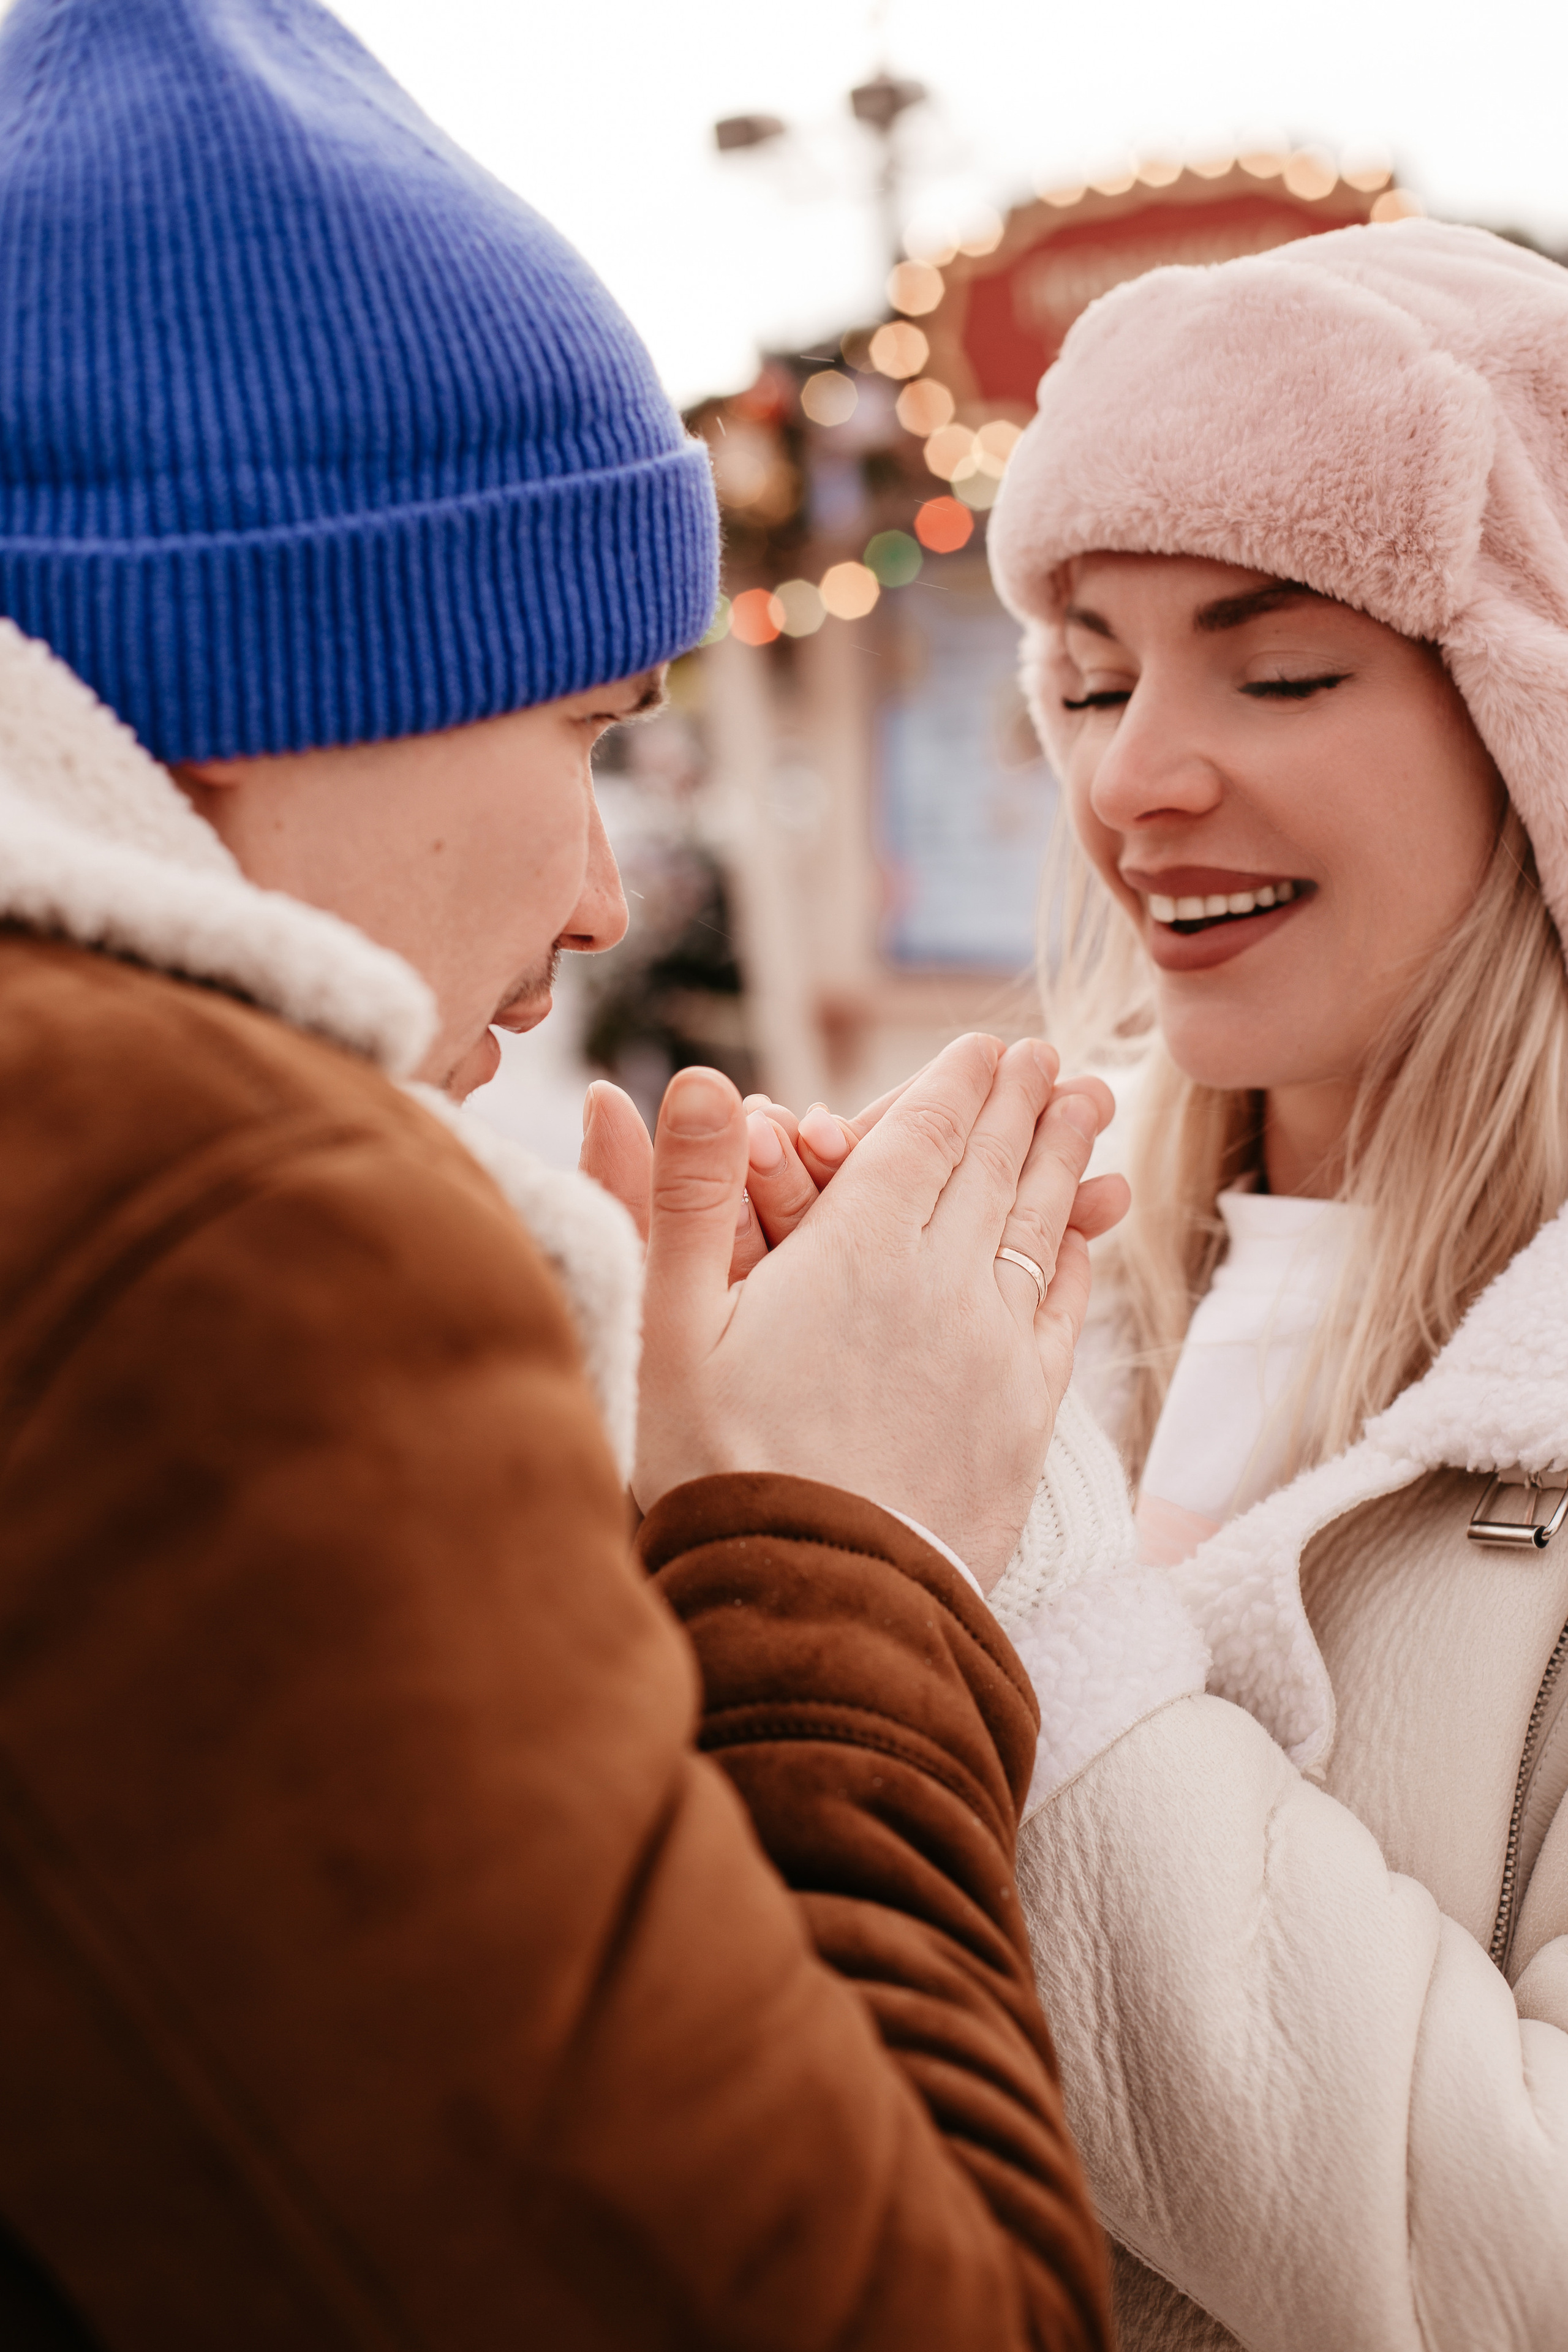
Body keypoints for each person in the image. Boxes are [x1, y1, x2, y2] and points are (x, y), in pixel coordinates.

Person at [0, 2, 1125, 2345]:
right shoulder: (215, 1238)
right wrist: (842, 1542)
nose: (608, 894)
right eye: (584, 727)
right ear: (304, 663)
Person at [954, 217, 1568, 2350]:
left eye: (1282, 669)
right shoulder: (1004, 1272)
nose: (1131, 778)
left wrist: (1006, 1563)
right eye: (1090, 680)